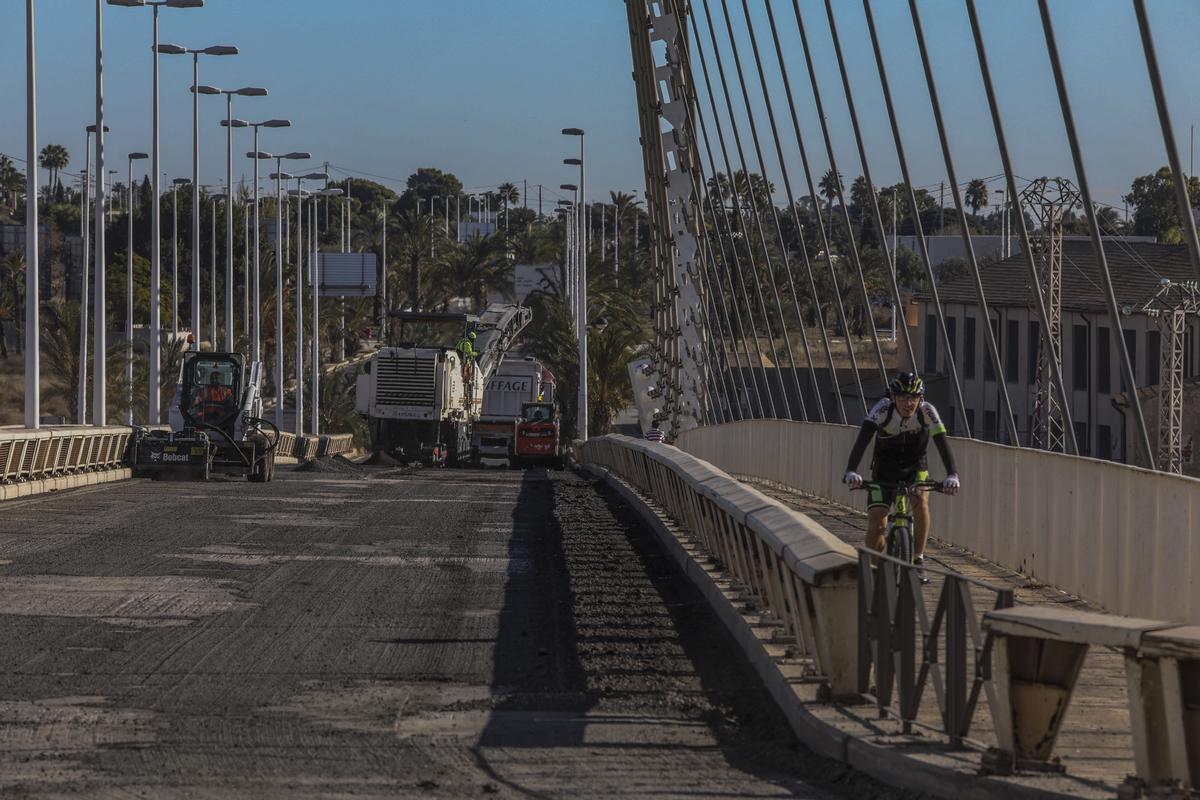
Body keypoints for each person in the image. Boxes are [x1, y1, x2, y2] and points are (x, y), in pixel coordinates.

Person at [842, 372, 959, 578]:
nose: (909, 403)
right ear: (893, 397)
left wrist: (952, 475)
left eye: (914, 397)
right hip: (884, 469)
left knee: (921, 501)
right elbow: (862, 441)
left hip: (915, 467)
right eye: (903, 397)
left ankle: (918, 558)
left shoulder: (927, 412)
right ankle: (874, 572)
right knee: (878, 522)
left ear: (920, 399)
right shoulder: (883, 409)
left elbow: (942, 443)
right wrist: (851, 470)